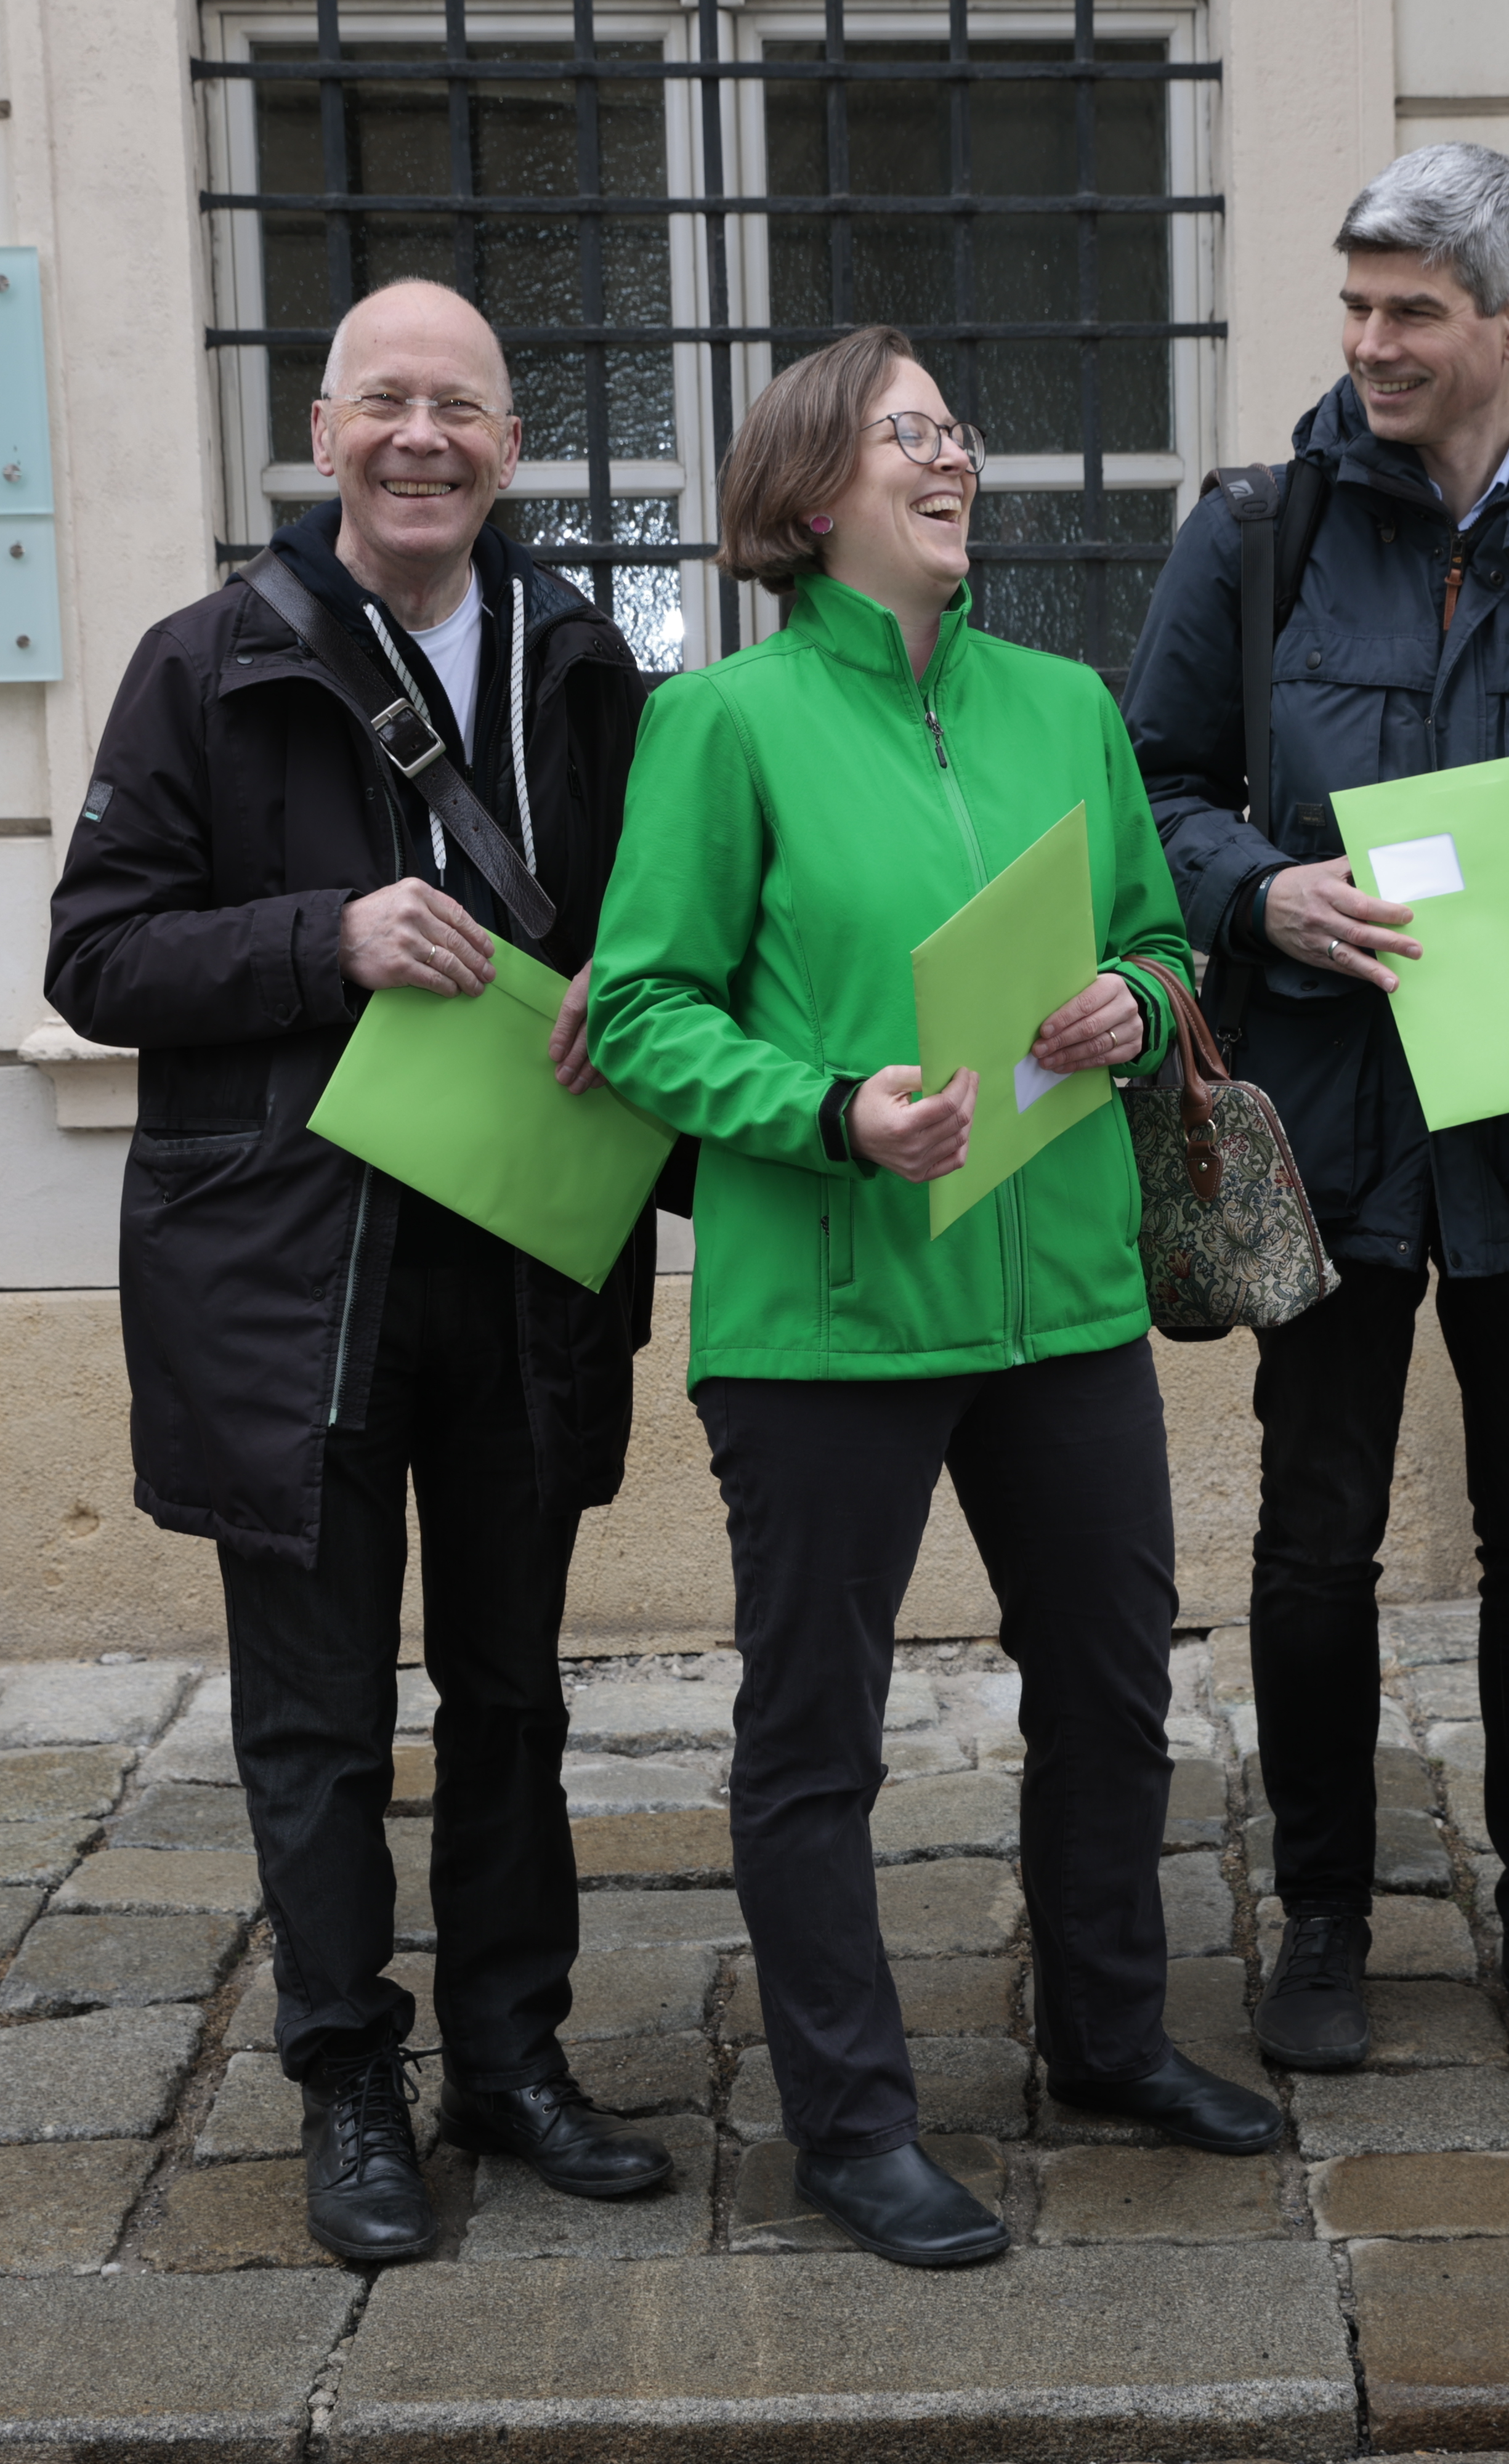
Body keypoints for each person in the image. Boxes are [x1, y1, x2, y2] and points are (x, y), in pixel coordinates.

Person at [590, 325, 1279, 2269]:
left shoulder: (1066, 704)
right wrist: (828, 1108)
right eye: (909, 433)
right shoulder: (721, 727)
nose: (952, 454)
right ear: (812, 501)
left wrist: (1133, 1006)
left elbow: (1158, 942)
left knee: (1114, 1693)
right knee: (818, 1737)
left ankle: (1114, 2038)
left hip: (1059, 1297)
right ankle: (853, 2122)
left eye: (957, 427)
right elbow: (643, 1008)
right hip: (825, 1322)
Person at [46, 278, 676, 2263]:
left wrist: (625, 1014)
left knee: (511, 1694)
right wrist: (321, 938)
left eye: (464, 408)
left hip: (517, 1260)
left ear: (511, 444)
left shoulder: (587, 666)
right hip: (285, 1277)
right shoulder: (205, 663)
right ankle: (347, 2086)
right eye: (388, 402)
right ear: (324, 433)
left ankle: (511, 2055)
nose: (425, 438)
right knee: (313, 1720)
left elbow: (647, 934)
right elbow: (94, 961)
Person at [1122, 145, 1509, 2079]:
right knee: (1315, 1535)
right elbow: (1149, 784)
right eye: (1355, 304)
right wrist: (1259, 889)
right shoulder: (1261, 530)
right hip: (1324, 1124)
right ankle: (1327, 1913)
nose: (1370, 344)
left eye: (1413, 310)